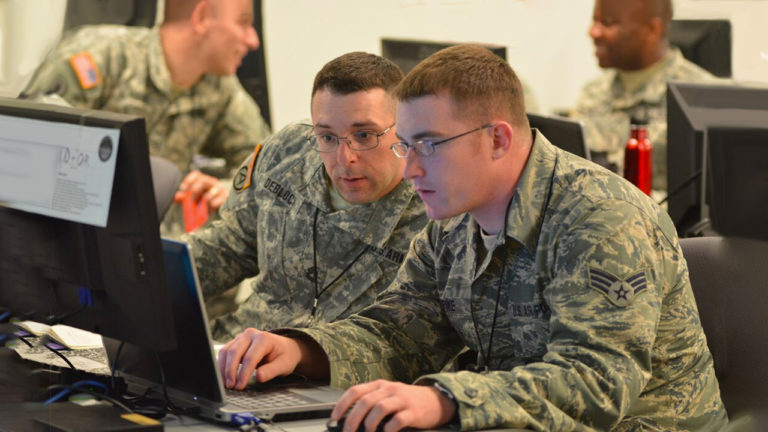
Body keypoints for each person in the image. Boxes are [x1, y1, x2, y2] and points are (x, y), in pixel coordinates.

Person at [217, 44, 727, 431]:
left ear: (498, 139)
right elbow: (399, 333)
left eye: (429, 145)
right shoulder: (452, 220)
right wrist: (300, 350)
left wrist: (446, 399)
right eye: (407, 146)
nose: (412, 169)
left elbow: (595, 380)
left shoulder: (599, 218)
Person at [186, 52, 427, 341]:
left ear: (403, 130)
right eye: (327, 137)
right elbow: (229, 247)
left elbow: (414, 344)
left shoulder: (434, 205)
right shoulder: (289, 153)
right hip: (239, 345)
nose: (344, 157)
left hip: (340, 373)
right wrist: (145, 272)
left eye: (364, 136)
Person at [20, 0, 271, 214]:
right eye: (243, 23)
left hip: (147, 249)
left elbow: (268, 164)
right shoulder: (102, 55)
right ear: (202, 17)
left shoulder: (219, 88)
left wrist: (228, 189)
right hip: (64, 239)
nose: (253, 40)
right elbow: (27, 153)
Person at [570, 0, 714, 191]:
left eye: (608, 23)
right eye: (594, 21)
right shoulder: (593, 92)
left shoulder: (700, 97)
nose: (593, 32)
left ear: (651, 29)